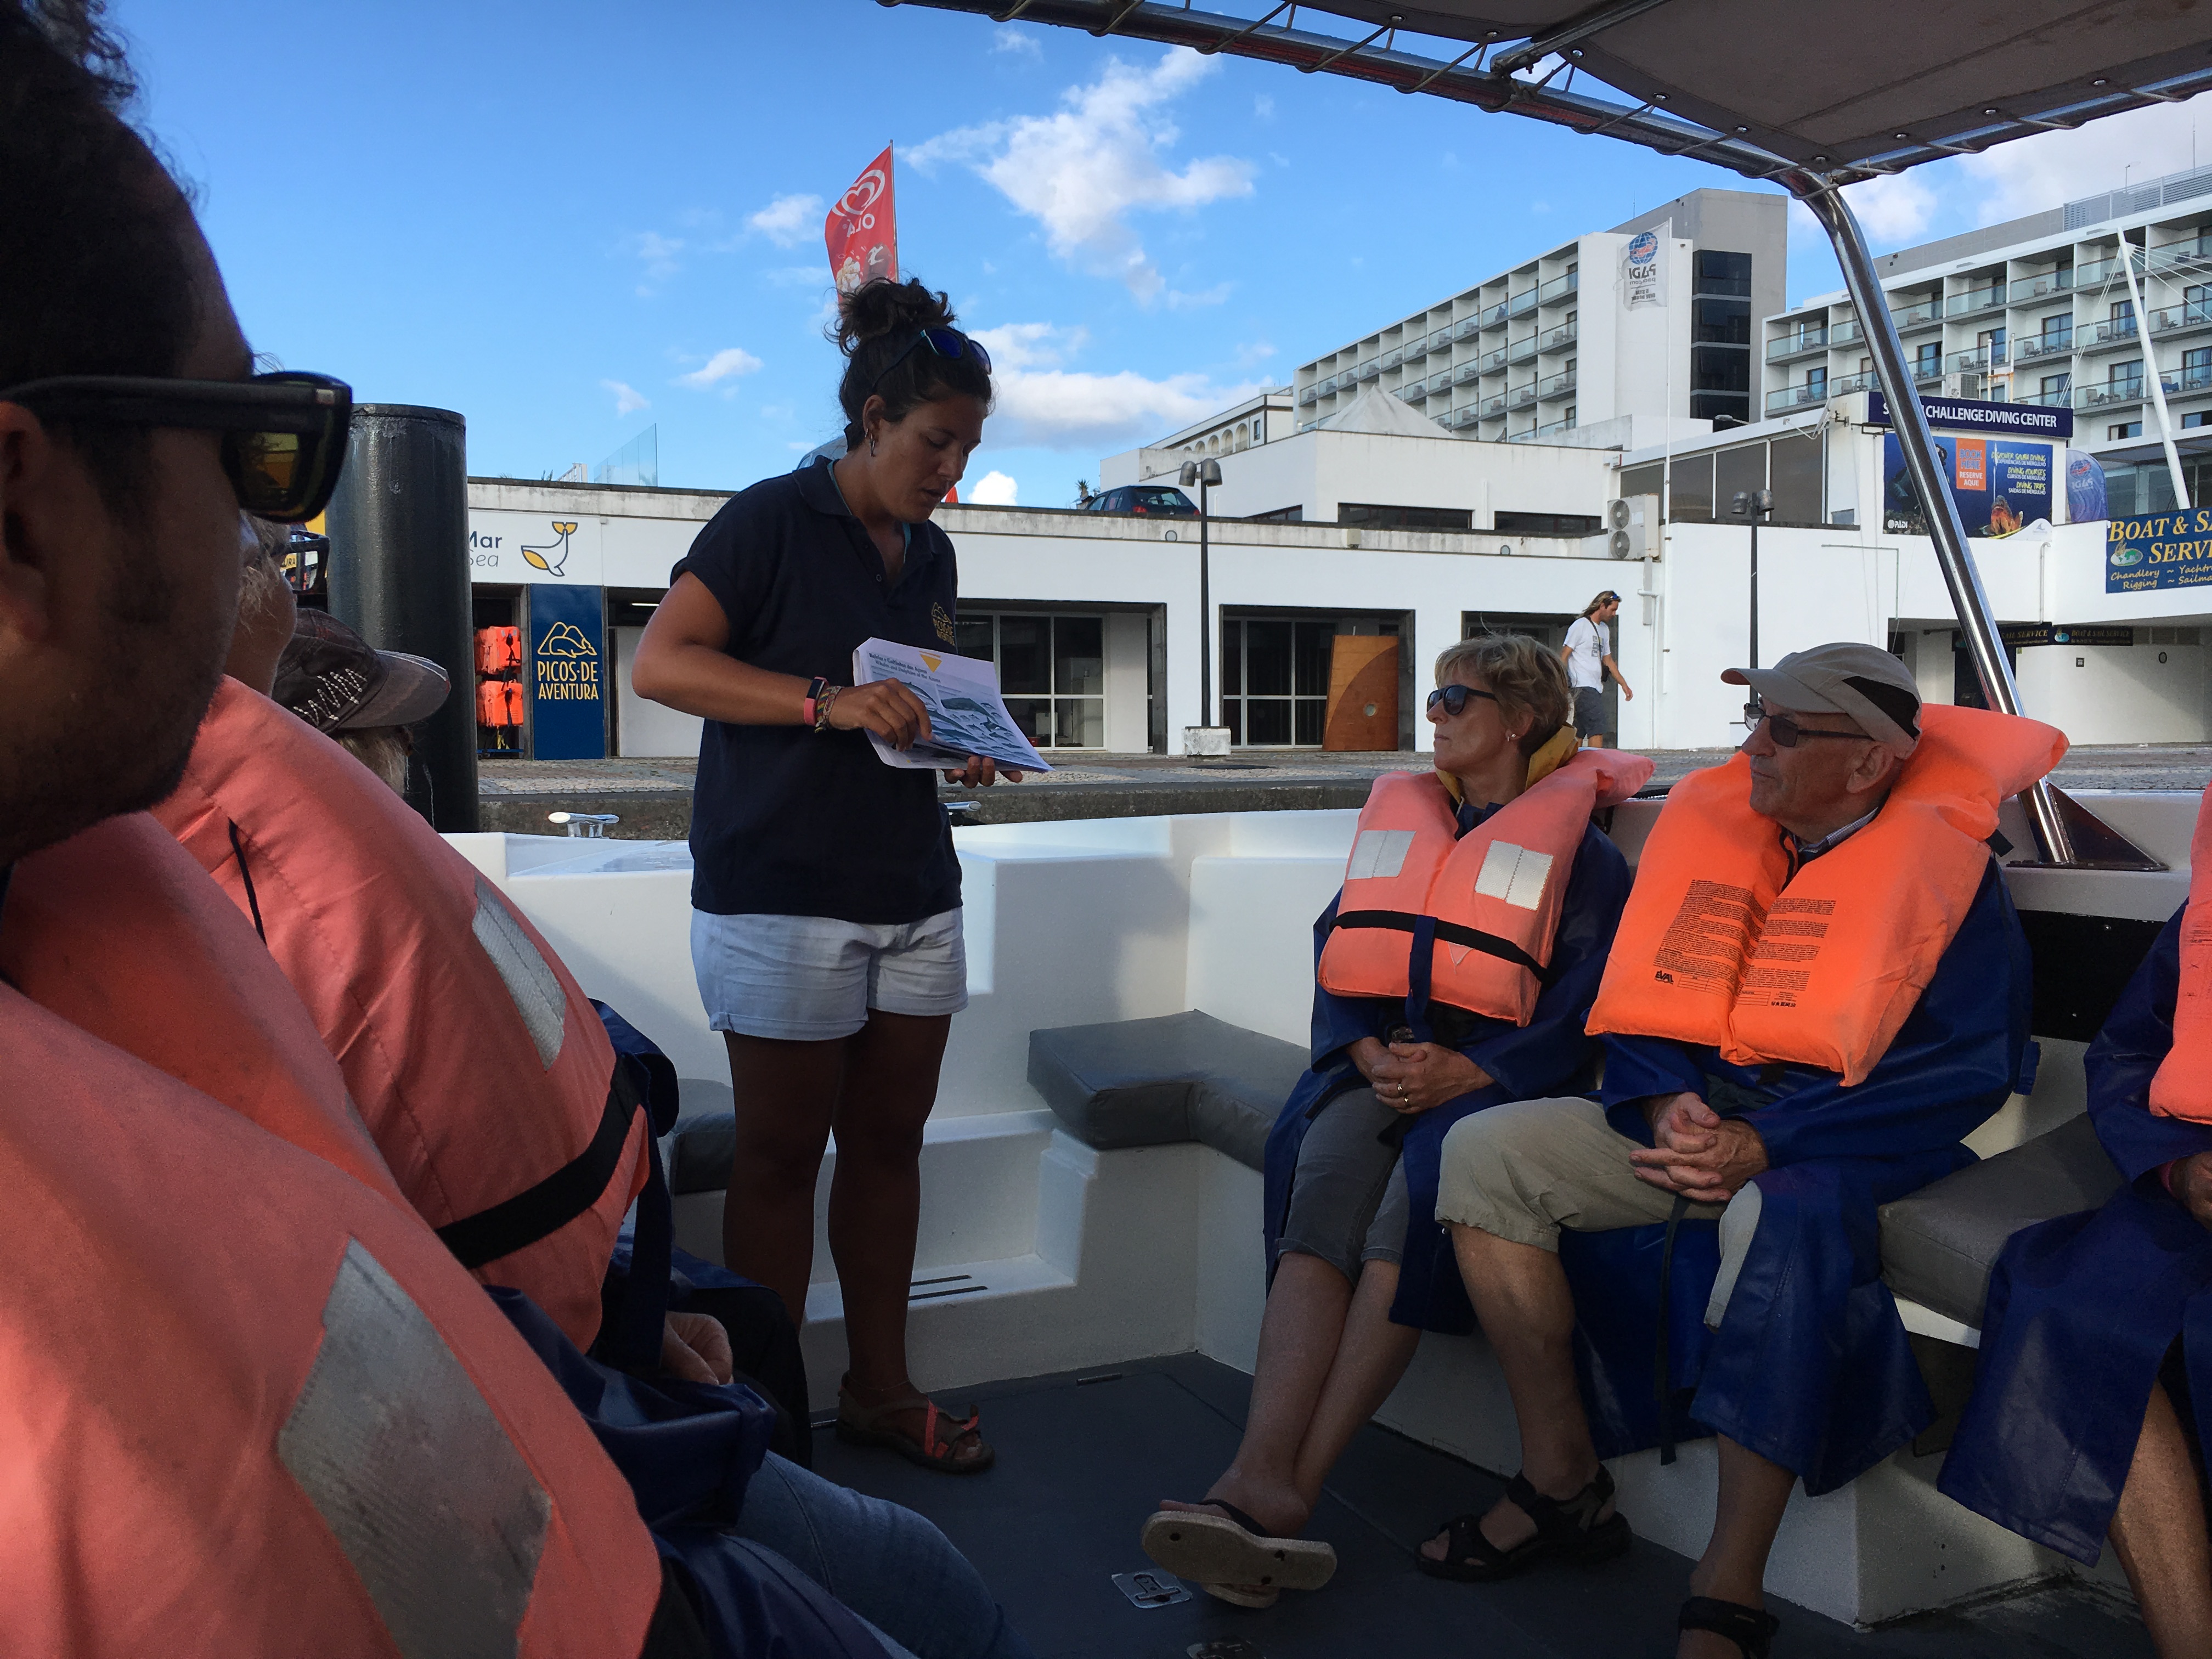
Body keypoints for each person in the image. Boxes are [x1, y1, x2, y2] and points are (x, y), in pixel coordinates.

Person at [153, 529, 1039, 1659]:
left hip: (553, 1342)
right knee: (920, 1582)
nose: (399, 756)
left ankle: (825, 1414)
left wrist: (626, 1321)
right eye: (374, 732)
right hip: (476, 1431)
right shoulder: (238, 925)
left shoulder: (288, 888)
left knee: (878, 1512)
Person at [1418, 644, 2060, 1659]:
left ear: (1866, 764)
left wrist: (1767, 1140)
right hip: (1690, 1120)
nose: (1752, 746)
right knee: (1485, 1150)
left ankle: (1730, 1576)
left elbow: (1961, 1076)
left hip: (1840, 1144)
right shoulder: (1719, 840)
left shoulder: (1948, 884)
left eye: (1783, 729)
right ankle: (1561, 1476)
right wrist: (1668, 1097)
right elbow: (1640, 1001)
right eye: (1754, 719)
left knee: (1785, 1213)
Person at [1139, 635, 1642, 1607]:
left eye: (1455, 698)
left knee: (1400, 1223)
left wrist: (1473, 1069)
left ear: (1517, 721)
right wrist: (1364, 1050)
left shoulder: (1582, 853)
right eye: (1436, 697)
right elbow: (1344, 944)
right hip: (1380, 1066)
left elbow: (1587, 1003)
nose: (1435, 714)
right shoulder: (1414, 821)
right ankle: (1254, 1466)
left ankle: (1285, 1494)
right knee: (1321, 1184)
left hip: (1499, 1088)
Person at [631, 277, 1012, 1473]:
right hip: (779, 889)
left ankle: (882, 1390)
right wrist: (823, 703)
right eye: (934, 441)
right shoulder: (766, 521)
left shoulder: (933, 553)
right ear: (871, 419)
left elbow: (907, 700)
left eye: (966, 446)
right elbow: (662, 664)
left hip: (912, 885)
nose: (948, 468)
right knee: (782, 1158)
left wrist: (959, 739)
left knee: (892, 1147)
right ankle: (772, 1419)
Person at [1939, 783, 2212, 1658]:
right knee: (2075, 1306)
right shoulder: (2201, 911)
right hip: (2193, 1182)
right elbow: (2129, 1050)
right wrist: (2175, 1166)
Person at [1562, 589, 1632, 748]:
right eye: (1612, 609)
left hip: (1595, 686)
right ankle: (1596, 766)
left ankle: (1574, 765)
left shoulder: (1604, 630)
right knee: (1597, 728)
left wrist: (1623, 684)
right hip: (1582, 685)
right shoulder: (1580, 626)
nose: (1614, 614)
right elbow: (1565, 654)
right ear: (1602, 606)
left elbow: (1608, 660)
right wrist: (1561, 680)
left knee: (1580, 731)